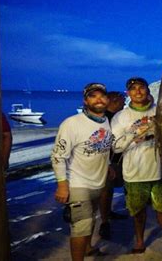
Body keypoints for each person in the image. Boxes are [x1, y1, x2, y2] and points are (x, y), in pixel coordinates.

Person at [111, 77, 162, 254]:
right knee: (138, 212)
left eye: (141, 88)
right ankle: (139, 242)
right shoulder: (120, 117)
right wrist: (134, 135)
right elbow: (115, 146)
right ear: (128, 93)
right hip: (134, 173)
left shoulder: (160, 111)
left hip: (161, 172)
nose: (138, 92)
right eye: (133, 89)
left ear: (147, 90)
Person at [51, 83, 113, 260]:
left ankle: (88, 248)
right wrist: (62, 185)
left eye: (102, 96)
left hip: (98, 182)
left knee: (91, 219)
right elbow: (57, 156)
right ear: (85, 101)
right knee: (80, 225)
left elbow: (103, 146)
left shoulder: (106, 121)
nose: (98, 99)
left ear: (107, 100)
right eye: (93, 96)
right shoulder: (72, 124)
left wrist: (107, 165)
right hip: (78, 183)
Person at [98, 91, 128, 240]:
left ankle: (108, 213)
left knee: (110, 190)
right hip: (106, 161)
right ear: (113, 101)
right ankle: (104, 221)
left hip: (116, 159)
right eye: (122, 101)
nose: (124, 104)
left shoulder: (118, 117)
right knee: (105, 190)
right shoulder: (103, 119)